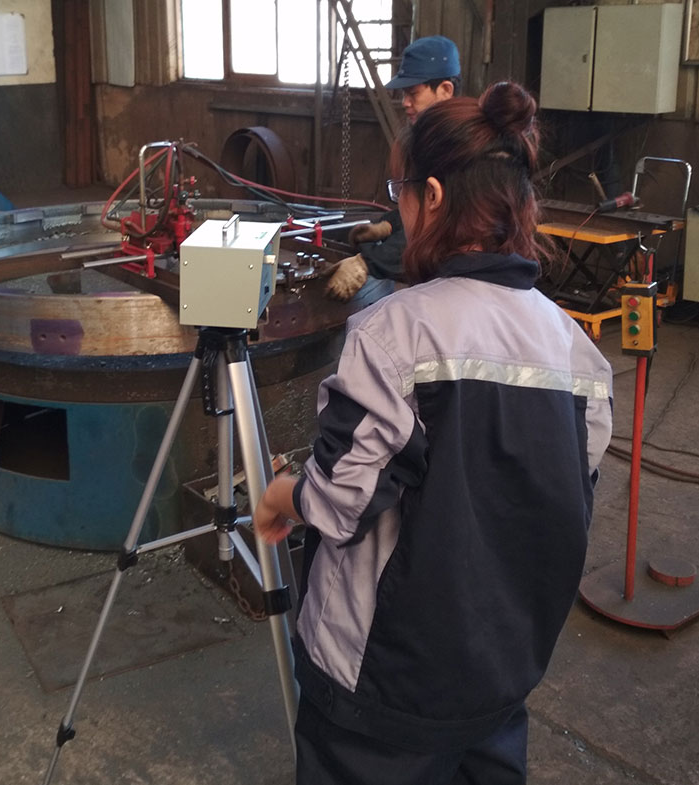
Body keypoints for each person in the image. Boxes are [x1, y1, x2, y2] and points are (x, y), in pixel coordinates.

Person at [255, 81, 613, 785]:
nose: (399, 208)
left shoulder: (393, 336)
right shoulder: (579, 355)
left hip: (380, 694)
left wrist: (281, 495)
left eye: (401, 192)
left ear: (436, 196)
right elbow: (558, 508)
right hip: (500, 681)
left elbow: (342, 500)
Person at [326, 35, 461, 301]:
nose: (405, 102)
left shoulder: (460, 149)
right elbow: (423, 209)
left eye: (413, 93)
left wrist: (368, 262)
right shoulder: (433, 140)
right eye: (404, 94)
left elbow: (436, 230)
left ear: (445, 90)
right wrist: (387, 225)